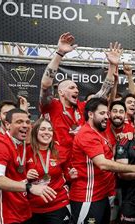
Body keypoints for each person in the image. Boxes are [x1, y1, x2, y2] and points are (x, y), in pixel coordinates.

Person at [39, 32, 118, 161]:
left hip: (80, 163)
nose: (76, 90)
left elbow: (104, 91)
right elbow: (45, 83)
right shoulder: (51, 106)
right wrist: (59, 54)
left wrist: (112, 66)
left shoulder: (84, 107)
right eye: (71, 87)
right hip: (56, 163)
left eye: (76, 87)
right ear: (61, 92)